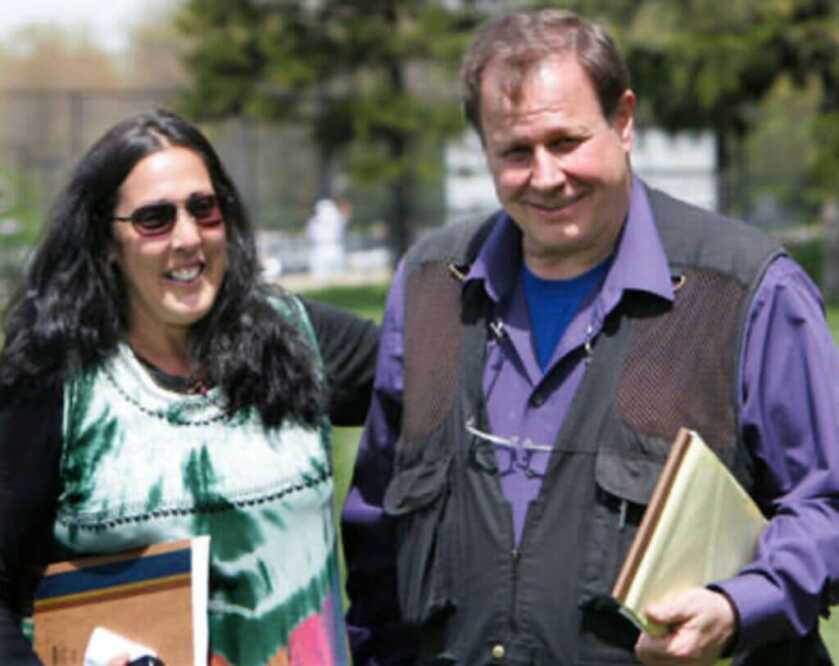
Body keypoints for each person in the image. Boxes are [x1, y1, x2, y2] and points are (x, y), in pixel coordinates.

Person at [341, 8, 839, 665]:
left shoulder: (743, 291)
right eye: (515, 152)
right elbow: (377, 534)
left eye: (565, 141)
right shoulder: (431, 288)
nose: (545, 177)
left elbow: (826, 505)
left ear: (623, 120)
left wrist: (738, 605)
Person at [0, 109, 378, 666]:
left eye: (204, 209)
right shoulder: (54, 383)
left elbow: (453, 387)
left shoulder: (300, 341)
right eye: (154, 219)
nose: (187, 238)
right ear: (107, 241)